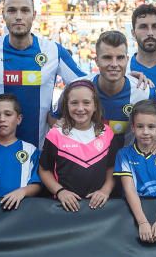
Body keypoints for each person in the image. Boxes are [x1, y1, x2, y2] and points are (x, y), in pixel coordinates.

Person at [0, 0, 86, 147]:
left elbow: (84, 84)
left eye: (25, 10)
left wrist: (57, 113)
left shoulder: (53, 50)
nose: (18, 16)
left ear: (34, 15)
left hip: (40, 152)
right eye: (12, 10)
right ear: (3, 15)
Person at [55, 31, 155, 147]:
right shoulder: (75, 88)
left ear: (127, 60)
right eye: (107, 57)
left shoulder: (144, 92)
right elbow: (54, 118)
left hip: (127, 163)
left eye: (120, 58)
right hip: (84, 163)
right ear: (96, 61)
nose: (114, 64)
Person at [39, 80, 120, 212]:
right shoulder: (55, 135)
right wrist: (60, 192)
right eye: (74, 103)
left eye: (86, 103)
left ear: (95, 106)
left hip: (98, 209)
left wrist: (105, 191)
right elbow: (44, 170)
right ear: (66, 106)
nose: (80, 108)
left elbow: (112, 168)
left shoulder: (107, 133)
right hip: (64, 208)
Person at [115, 100, 156, 243]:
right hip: (133, 215)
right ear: (132, 127)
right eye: (140, 126)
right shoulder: (123, 155)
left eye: (151, 127)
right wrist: (142, 222)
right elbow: (129, 189)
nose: (145, 132)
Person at [0, 94, 42, 210]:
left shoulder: (30, 150)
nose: (2, 119)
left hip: (20, 214)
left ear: (18, 119)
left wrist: (22, 192)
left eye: (8, 114)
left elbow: (37, 184)